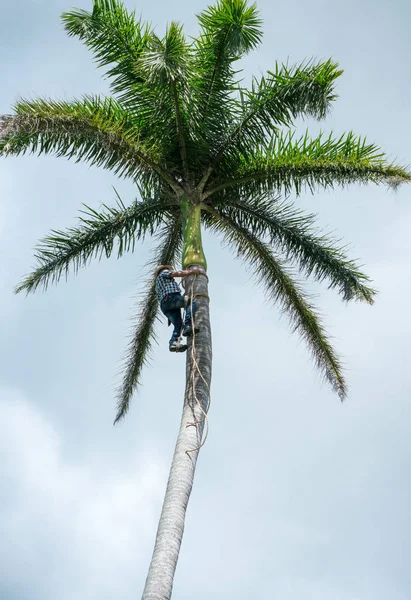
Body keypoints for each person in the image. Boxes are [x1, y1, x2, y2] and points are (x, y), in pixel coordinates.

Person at [154, 265, 203, 352]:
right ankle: (188, 325)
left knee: (178, 325)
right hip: (171, 298)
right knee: (191, 303)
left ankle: (173, 343)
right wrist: (192, 272)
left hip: (165, 306)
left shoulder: (158, 285)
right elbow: (177, 273)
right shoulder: (164, 273)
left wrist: (169, 317)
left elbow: (162, 300)